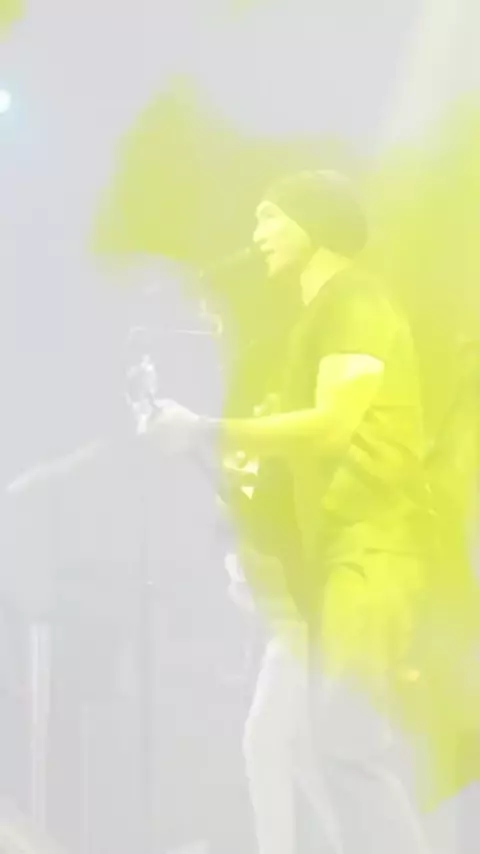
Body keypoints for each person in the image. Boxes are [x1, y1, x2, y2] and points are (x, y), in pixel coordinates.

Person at [153, 170, 433, 854]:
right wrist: (205, 454)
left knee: (346, 745)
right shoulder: (319, 316)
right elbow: (295, 466)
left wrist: (208, 430)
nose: (257, 235)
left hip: (371, 553)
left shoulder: (355, 300)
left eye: (270, 217)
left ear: (312, 224)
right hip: (335, 561)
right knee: (325, 749)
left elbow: (333, 426)